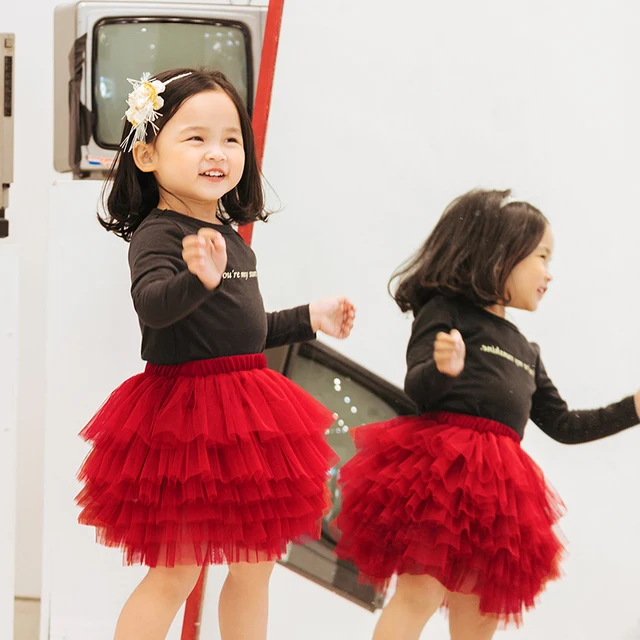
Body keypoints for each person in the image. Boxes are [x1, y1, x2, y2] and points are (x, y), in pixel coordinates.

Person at [76, 68, 356, 640]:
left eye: (232, 139)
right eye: (196, 136)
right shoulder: (158, 233)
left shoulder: (230, 236)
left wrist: (309, 318)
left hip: (247, 419)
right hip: (187, 423)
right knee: (175, 573)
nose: (219, 152)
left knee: (255, 569)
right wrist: (194, 281)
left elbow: (242, 332)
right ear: (149, 156)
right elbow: (154, 308)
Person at [334, 188, 640, 640]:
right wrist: (444, 369)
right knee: (419, 593)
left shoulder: (525, 350)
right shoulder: (447, 313)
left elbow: (565, 425)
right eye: (542, 256)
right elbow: (418, 388)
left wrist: (631, 408)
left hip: (499, 500)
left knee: (479, 617)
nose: (549, 274)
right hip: (441, 479)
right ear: (502, 256)